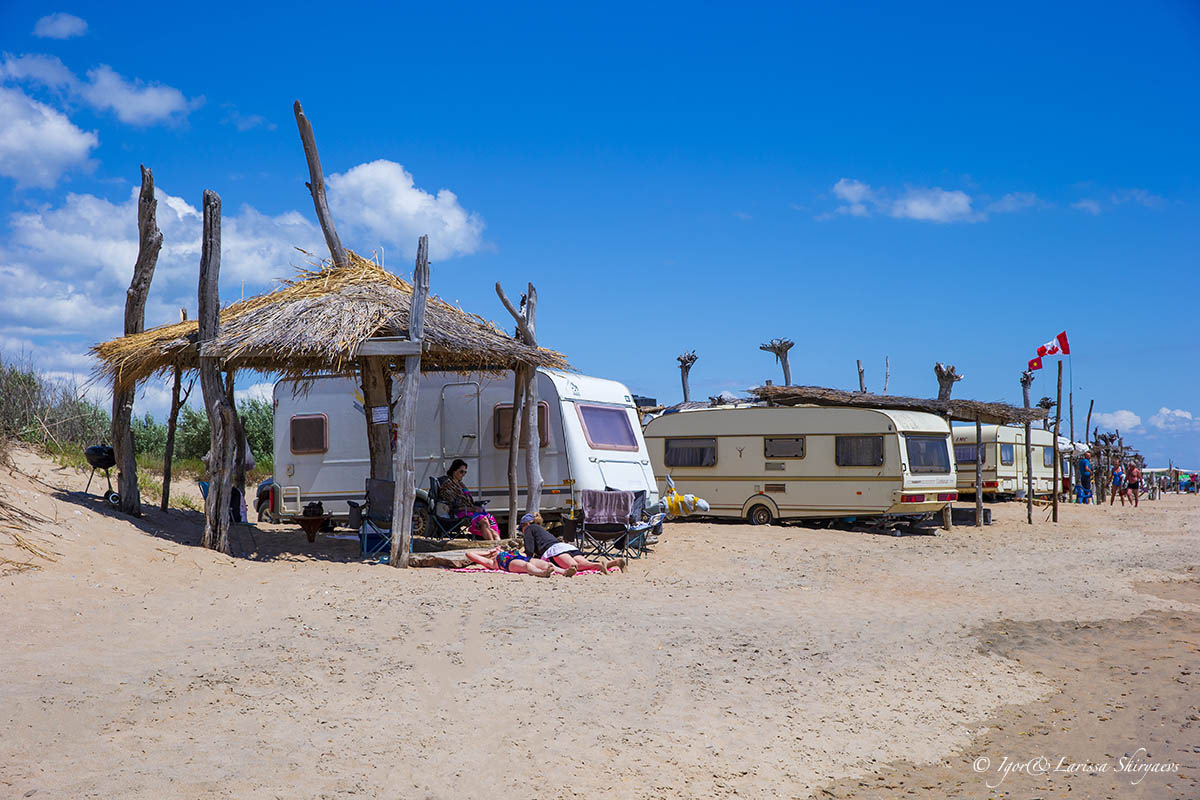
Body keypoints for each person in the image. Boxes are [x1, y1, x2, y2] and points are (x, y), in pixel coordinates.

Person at [520, 513, 625, 574]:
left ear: (527, 524)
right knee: (584, 563)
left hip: (554, 551)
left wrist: (522, 556)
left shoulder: (529, 529)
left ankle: (599, 566)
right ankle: (613, 563)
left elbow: (529, 551)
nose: (522, 531)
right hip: (566, 547)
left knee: (574, 566)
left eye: (522, 528)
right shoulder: (541, 530)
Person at [438, 459, 501, 541]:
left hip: (469, 511)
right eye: (461, 472)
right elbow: (453, 507)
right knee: (483, 520)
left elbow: (467, 500)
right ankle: (493, 544)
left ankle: (497, 543)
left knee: (489, 519)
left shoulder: (460, 484)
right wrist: (473, 509)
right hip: (459, 513)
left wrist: (475, 507)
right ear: (454, 470)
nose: (463, 474)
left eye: (465, 472)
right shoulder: (448, 485)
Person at [464, 546, 575, 578]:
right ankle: (542, 573)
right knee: (527, 565)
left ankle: (565, 572)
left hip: (520, 557)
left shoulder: (507, 552)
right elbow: (469, 554)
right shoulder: (491, 562)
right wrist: (488, 552)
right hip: (509, 563)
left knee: (546, 564)